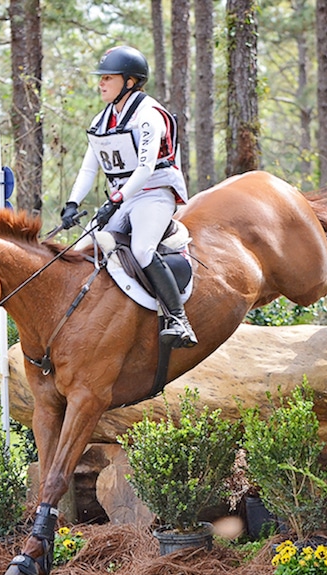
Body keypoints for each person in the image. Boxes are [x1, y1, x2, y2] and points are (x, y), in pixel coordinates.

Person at [59, 45, 196, 348]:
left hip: (154, 195)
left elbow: (146, 168)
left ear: (130, 82)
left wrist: (116, 200)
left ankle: (178, 320)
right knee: (83, 248)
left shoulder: (148, 116)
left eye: (108, 78)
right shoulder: (101, 120)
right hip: (122, 198)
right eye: (101, 78)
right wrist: (72, 203)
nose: (101, 83)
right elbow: (87, 169)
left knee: (142, 250)